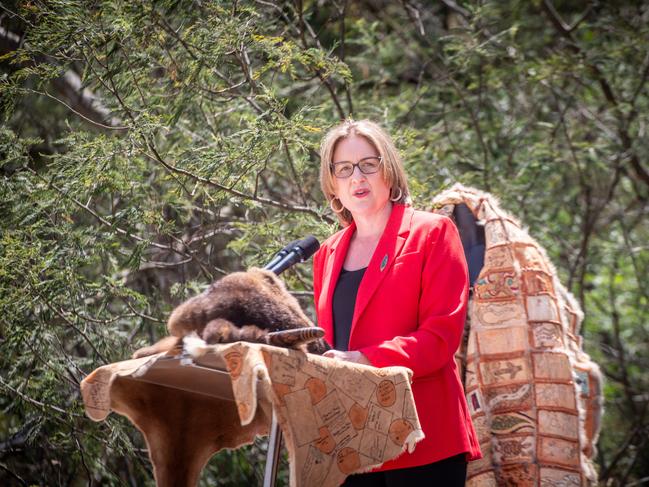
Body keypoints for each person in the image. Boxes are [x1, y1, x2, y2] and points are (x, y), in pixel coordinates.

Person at [312, 119, 481, 486]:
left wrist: (365, 360)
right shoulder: (326, 255)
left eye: (368, 164)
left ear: (388, 171)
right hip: (352, 447)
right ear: (333, 185)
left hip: (422, 441)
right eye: (344, 169)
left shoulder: (432, 232)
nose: (357, 177)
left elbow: (440, 337)